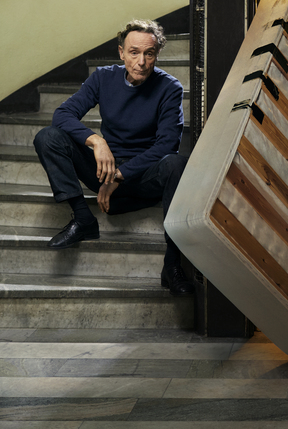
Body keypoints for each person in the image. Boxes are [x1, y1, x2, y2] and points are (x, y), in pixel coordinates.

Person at [33, 19, 193, 295]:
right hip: (102, 171)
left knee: (177, 164)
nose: (141, 62)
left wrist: (119, 176)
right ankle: (83, 218)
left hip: (142, 177)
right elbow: (62, 115)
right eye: (134, 52)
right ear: (121, 53)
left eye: (149, 53)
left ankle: (172, 263)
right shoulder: (103, 78)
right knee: (48, 137)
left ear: (157, 54)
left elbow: (167, 145)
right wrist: (96, 141)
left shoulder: (169, 88)